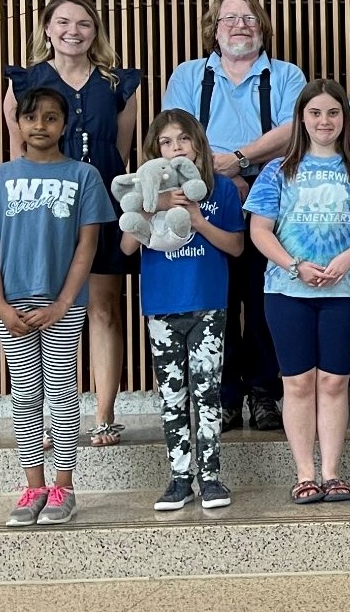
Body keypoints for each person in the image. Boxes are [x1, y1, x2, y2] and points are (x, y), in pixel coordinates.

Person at [0, 0, 141, 448]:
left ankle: (103, 415)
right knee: (46, 307)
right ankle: (41, 419)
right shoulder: (24, 82)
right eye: (63, 22)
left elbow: (120, 150)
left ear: (95, 31)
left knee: (103, 307)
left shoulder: (119, 83)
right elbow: (17, 151)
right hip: (44, 204)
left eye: (83, 23)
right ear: (46, 28)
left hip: (101, 201)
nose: (73, 31)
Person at [163, 0, 307, 433]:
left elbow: (293, 130)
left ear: (262, 28)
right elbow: (175, 135)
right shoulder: (189, 76)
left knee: (266, 301)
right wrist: (223, 177)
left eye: (249, 18)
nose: (240, 25)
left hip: (271, 203)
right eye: (230, 19)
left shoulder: (286, 76)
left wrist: (241, 161)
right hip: (206, 200)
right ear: (214, 28)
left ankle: (265, 393)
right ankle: (223, 396)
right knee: (217, 302)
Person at [0, 87, 116, 527]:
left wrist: (63, 303)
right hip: (12, 304)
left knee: (61, 393)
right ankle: (33, 486)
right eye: (31, 117)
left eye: (51, 118)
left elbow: (86, 247)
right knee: (25, 397)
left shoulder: (84, 175)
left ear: (64, 124)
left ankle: (63, 486)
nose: (40, 126)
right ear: (18, 122)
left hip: (61, 303)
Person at [244, 80, 350, 505]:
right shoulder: (278, 170)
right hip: (287, 291)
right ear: (302, 119)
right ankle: (304, 474)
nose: (324, 121)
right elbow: (259, 229)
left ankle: (331, 472)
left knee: (333, 382)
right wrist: (293, 265)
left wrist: (348, 259)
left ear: (344, 118)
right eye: (315, 113)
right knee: (297, 383)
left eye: (332, 113)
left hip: (343, 292)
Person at [121, 110, 245, 511]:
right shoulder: (147, 192)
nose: (175, 149)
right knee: (172, 396)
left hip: (208, 304)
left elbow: (236, 247)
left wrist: (196, 218)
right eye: (166, 142)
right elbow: (126, 247)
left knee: (207, 394)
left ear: (198, 145)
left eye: (183, 140)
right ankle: (179, 479)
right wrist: (148, 208)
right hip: (162, 306)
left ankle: (211, 477)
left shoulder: (220, 190)